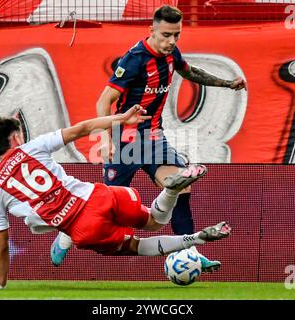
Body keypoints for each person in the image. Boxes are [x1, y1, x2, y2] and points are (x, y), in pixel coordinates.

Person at [51, 5, 245, 271]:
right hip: (125, 141)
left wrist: (226, 83)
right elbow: (104, 100)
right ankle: (67, 233)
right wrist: (105, 139)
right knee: (104, 206)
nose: (172, 41)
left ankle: (189, 252)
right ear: (151, 30)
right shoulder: (134, 59)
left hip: (154, 138)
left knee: (180, 185)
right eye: (166, 35)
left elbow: (189, 72)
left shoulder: (171, 53)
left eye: (176, 35)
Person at [0, 105, 231, 289]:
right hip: (99, 195)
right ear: (17, 138)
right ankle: (170, 190)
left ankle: (196, 238)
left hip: (83, 227)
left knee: (137, 246)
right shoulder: (34, 147)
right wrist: (120, 119)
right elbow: (82, 129)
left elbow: (0, 244)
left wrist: (0, 283)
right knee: (156, 220)